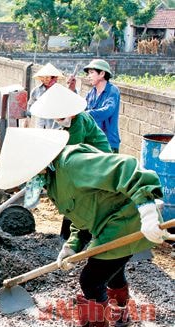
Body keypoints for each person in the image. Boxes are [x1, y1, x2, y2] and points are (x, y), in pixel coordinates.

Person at [0, 127, 172, 327]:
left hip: (127, 221)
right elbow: (82, 212)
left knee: (90, 279)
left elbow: (127, 167)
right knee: (113, 272)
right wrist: (72, 245)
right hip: (108, 224)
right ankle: (121, 316)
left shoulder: (72, 164)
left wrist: (148, 212)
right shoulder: (52, 179)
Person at [30, 83, 112, 241]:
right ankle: (71, 233)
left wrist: (50, 163)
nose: (58, 120)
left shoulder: (77, 122)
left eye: (60, 117)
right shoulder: (69, 122)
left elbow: (70, 152)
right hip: (85, 159)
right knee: (73, 195)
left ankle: (77, 234)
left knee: (76, 194)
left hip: (96, 161)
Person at [68, 59, 121, 152]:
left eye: (91, 73)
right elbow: (81, 107)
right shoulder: (91, 92)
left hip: (108, 142)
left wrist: (85, 114)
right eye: (88, 73)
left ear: (102, 74)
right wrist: (72, 90)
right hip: (92, 141)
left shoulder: (112, 91)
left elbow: (107, 110)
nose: (89, 76)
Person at [26, 63, 64, 129]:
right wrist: (28, 119)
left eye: (47, 77)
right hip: (40, 124)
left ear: (53, 78)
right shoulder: (36, 90)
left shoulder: (60, 91)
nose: (45, 80)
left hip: (55, 126)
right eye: (43, 77)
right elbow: (30, 105)